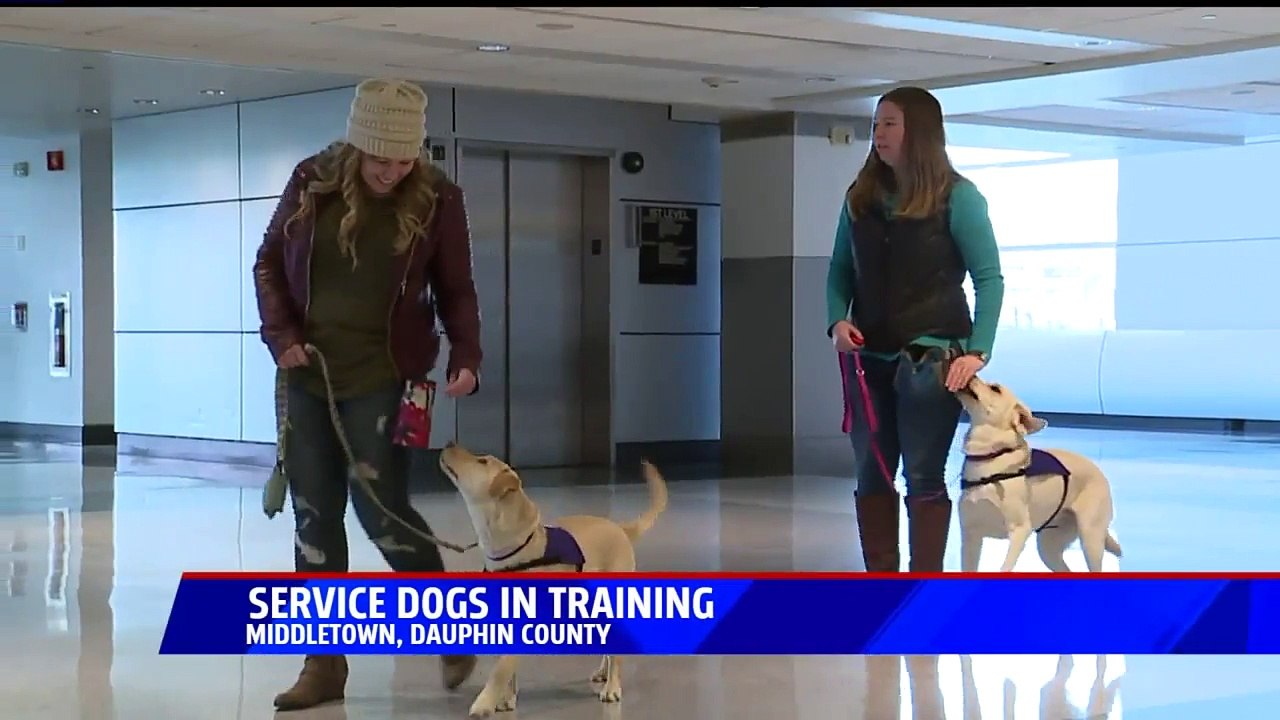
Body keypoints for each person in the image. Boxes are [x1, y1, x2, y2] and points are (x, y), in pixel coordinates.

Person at [252, 78, 484, 711]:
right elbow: (268, 261)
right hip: (311, 376)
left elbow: (457, 286)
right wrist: (282, 336)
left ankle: (451, 627)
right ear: (357, 146)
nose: (391, 172)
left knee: (383, 512)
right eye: (380, 158)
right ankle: (322, 666)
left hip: (389, 380)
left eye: (404, 160)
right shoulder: (312, 182)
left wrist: (467, 355)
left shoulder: (439, 198)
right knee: (313, 516)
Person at [826, 85, 1004, 573]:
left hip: (932, 358)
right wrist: (837, 320)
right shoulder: (860, 198)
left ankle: (923, 587)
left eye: (890, 123)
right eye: (876, 124)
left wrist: (977, 351)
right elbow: (840, 268)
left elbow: (989, 279)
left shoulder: (958, 197)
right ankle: (882, 586)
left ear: (919, 132)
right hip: (869, 358)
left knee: (924, 476)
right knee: (872, 474)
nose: (879, 133)